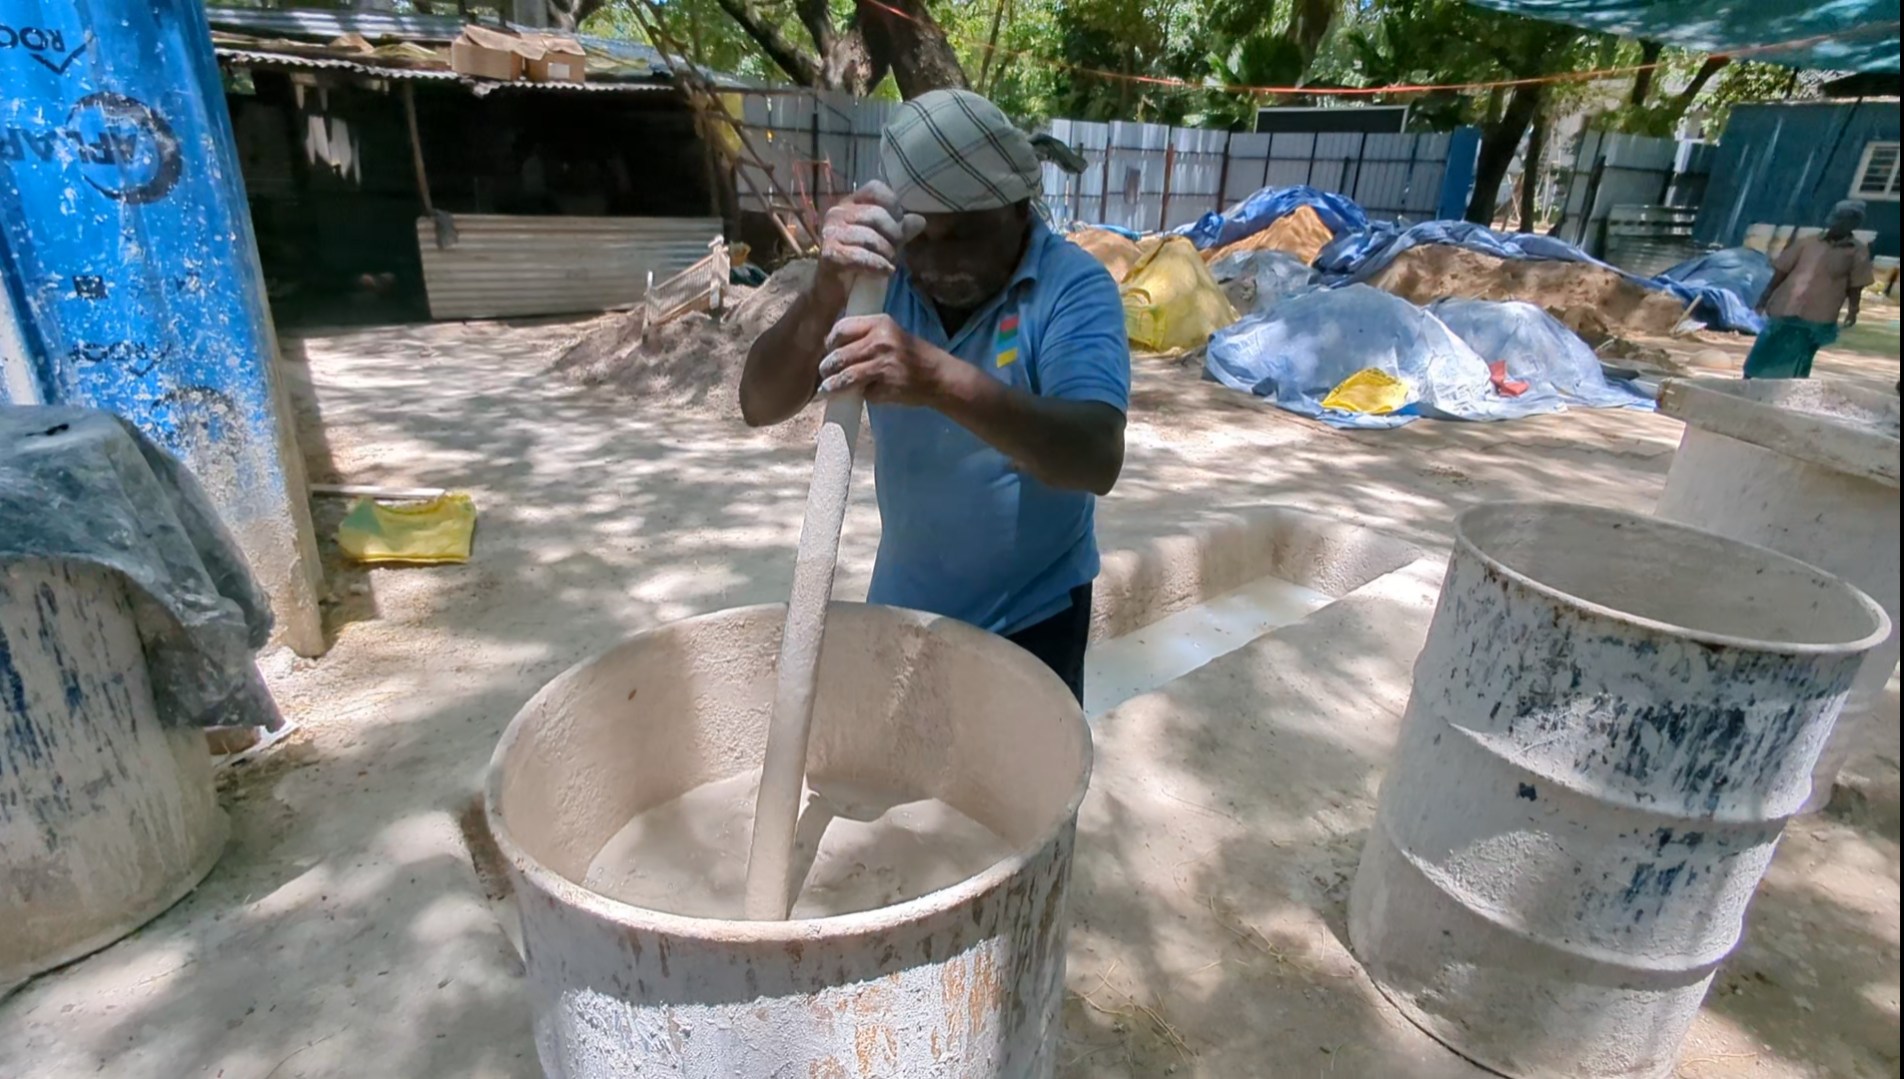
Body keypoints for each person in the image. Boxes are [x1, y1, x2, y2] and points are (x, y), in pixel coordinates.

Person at [739, 89, 1129, 704]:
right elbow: (759, 403)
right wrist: (823, 292)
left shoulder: (1072, 287)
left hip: (1033, 618)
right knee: (900, 788)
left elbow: (1095, 456)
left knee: (1019, 795)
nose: (937, 261)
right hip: (904, 602)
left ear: (1020, 210)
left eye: (967, 234)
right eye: (920, 236)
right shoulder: (879, 276)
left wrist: (936, 380)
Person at [1743, 200, 1875, 379]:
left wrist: (1853, 310)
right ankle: (1750, 378)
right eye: (1836, 219)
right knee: (1769, 343)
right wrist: (1764, 298)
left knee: (1802, 351)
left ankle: (1788, 387)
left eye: (1843, 221)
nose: (1836, 224)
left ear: (1853, 224)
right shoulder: (1807, 243)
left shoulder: (1857, 251)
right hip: (1786, 306)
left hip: (1819, 313)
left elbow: (1856, 285)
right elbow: (1781, 272)